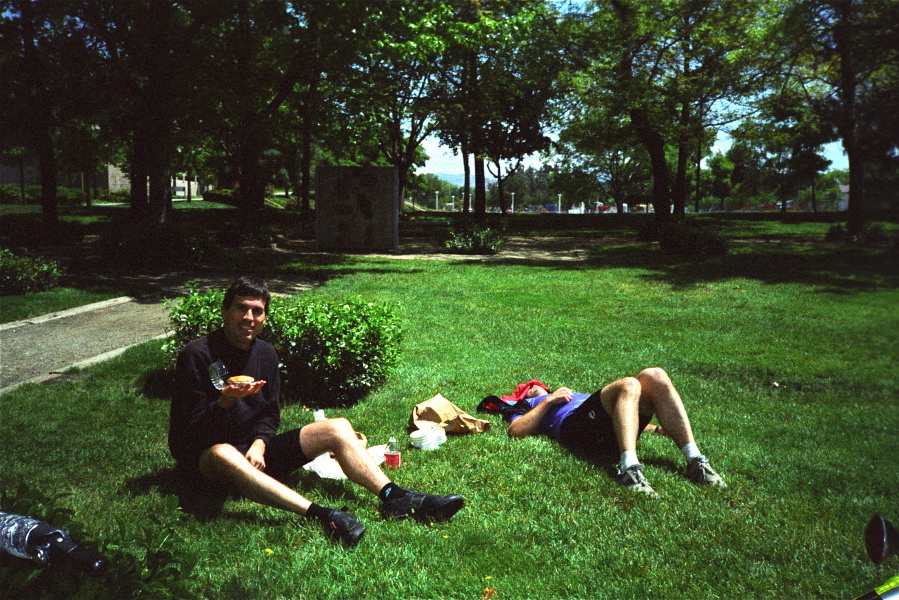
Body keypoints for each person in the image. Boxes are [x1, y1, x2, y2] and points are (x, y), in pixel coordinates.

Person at [168, 277, 464, 546]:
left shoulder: (265, 353)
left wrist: (259, 445)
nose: (248, 318)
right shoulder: (197, 355)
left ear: (265, 317)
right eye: (240, 309)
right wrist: (225, 402)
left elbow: (270, 414)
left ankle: (394, 497)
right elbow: (187, 434)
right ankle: (322, 515)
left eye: (257, 311)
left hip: (254, 454)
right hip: (207, 460)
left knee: (337, 427)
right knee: (222, 452)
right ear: (224, 311)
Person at [483, 369, 726, 499]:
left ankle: (695, 461)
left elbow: (624, 410)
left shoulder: (576, 396)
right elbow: (515, 431)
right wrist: (548, 400)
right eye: (528, 387)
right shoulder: (529, 405)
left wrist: (656, 428)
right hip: (575, 429)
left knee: (655, 376)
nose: (533, 385)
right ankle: (630, 470)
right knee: (629, 384)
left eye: (537, 385)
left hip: (601, 425)